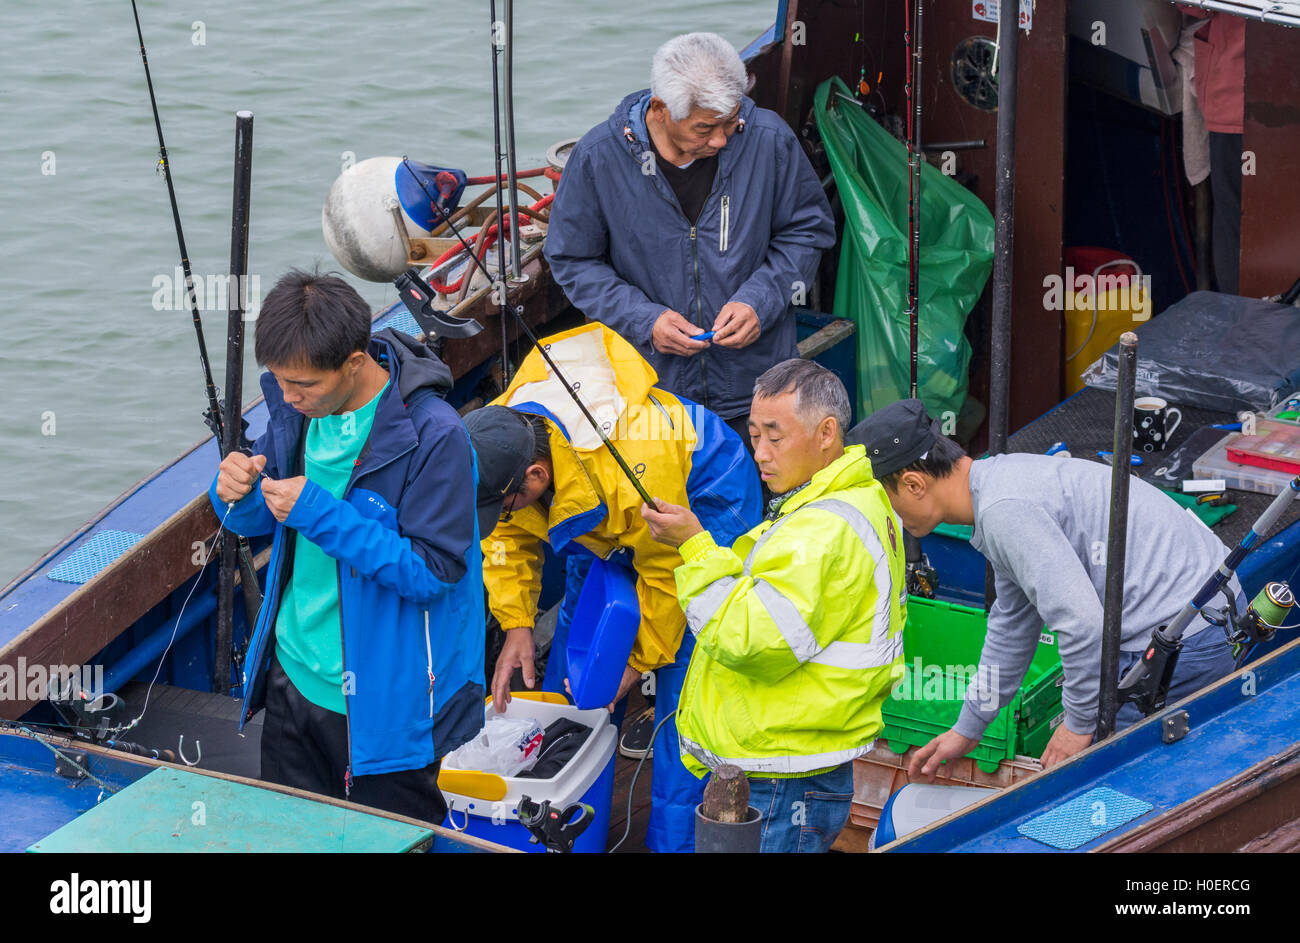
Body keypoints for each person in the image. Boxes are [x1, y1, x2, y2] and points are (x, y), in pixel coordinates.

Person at [468, 321, 761, 853]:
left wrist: (636, 663)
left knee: (686, 693)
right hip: (602, 520)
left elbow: (670, 574)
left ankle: (673, 842)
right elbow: (506, 535)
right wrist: (516, 622)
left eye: (505, 503)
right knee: (575, 687)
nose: (502, 513)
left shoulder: (634, 468)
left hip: (699, 498)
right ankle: (577, 827)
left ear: (536, 478)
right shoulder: (502, 437)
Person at [210, 270, 485, 823]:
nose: (286, 397)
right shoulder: (296, 410)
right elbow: (260, 515)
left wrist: (319, 512)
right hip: (292, 673)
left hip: (384, 704)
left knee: (389, 839)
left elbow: (432, 572)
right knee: (294, 835)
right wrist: (234, 494)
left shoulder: (436, 436)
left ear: (355, 362)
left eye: (303, 384)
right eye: (279, 380)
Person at [848, 399, 1239, 779]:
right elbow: (1012, 625)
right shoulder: (997, 485)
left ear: (914, 483)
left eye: (888, 504)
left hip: (1185, 632)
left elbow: (1082, 624)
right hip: (1203, 610)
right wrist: (969, 727)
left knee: (1113, 785)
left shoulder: (1004, 509)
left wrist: (1079, 722)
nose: (891, 519)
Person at [643, 359, 907, 853]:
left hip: (780, 777)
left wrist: (694, 545)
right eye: (754, 435)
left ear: (826, 433)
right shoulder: (854, 498)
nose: (759, 453)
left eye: (775, 436)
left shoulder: (822, 529)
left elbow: (751, 639)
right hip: (796, 766)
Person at [544, 31, 836, 441]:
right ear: (661, 109)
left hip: (759, 391)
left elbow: (807, 231)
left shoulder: (769, 140)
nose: (720, 139)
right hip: (652, 396)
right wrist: (646, 320)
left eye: (730, 122)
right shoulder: (598, 158)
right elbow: (573, 260)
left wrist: (760, 301)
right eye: (705, 128)